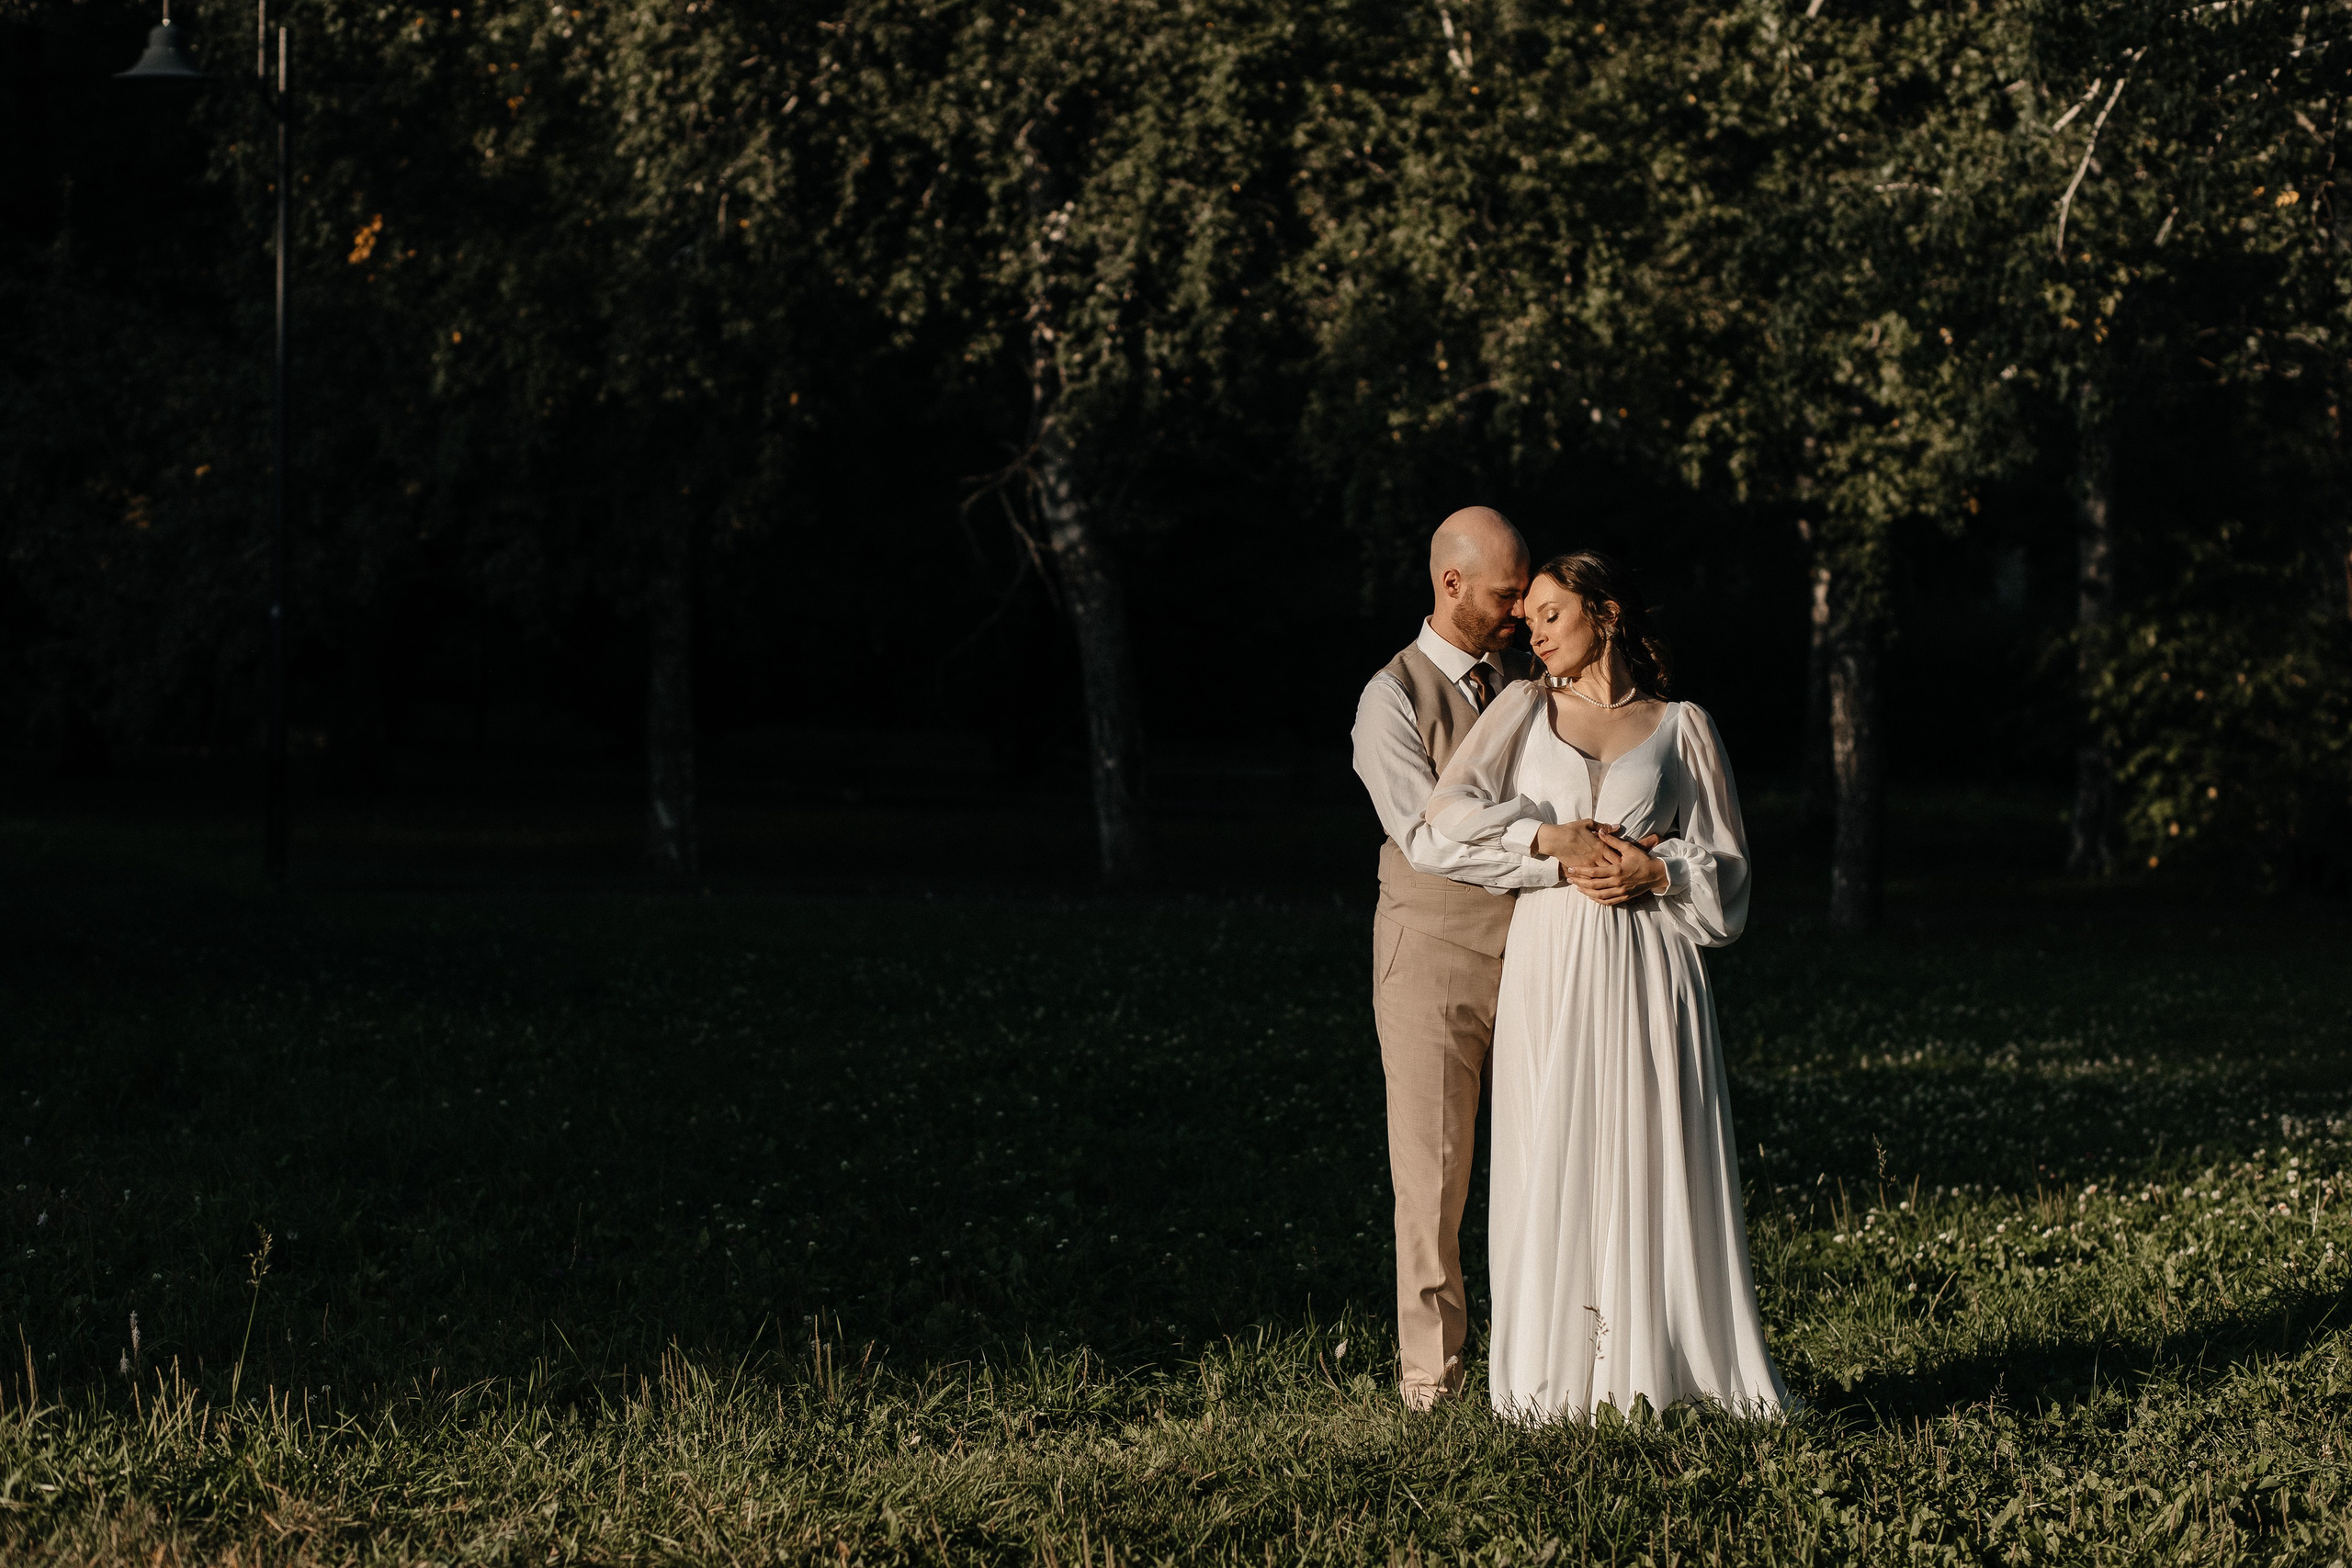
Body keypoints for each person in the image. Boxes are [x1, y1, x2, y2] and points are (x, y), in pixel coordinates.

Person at [1423, 549, 1787, 1422]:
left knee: (1651, 1139)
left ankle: (1663, 1369)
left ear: (1608, 612)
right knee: (1551, 1135)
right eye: (1529, 620)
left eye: (1551, 614)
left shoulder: (1683, 726)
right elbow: (1448, 814)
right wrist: (1547, 839)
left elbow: (1732, 873)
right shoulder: (1522, 709)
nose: (1535, 634)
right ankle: (1552, 1374)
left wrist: (1659, 872)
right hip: (1552, 953)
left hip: (1652, 961)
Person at [1350, 508, 1616, 1409]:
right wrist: (1550, 853)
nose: (1519, 613)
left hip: (1543, 951)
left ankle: (1551, 1359)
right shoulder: (1389, 698)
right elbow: (1430, 841)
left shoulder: (1530, 684)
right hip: (1433, 957)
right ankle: (1433, 1378)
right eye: (1506, 595)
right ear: (1451, 583)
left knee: (1551, 1151)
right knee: (1434, 1174)